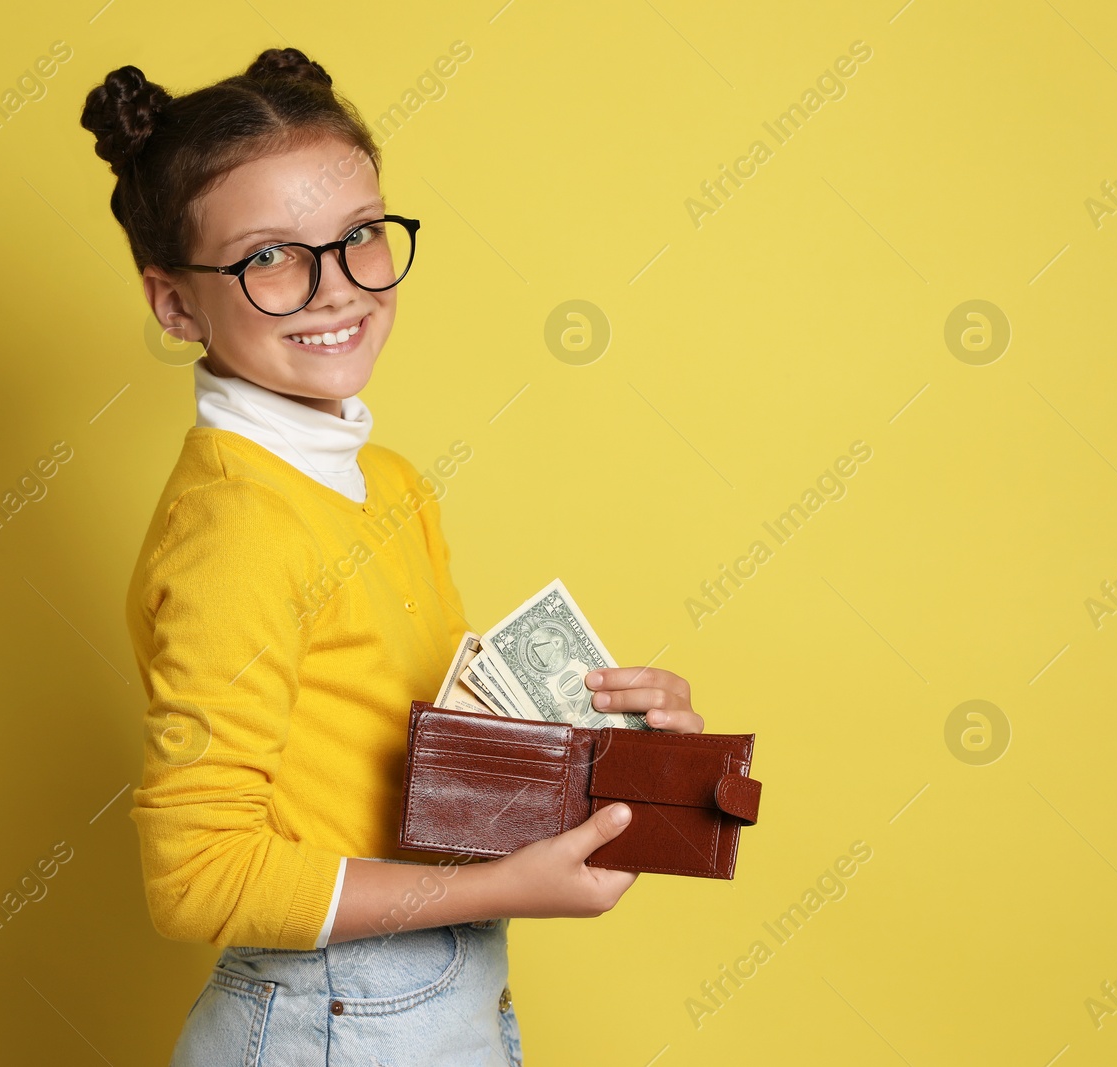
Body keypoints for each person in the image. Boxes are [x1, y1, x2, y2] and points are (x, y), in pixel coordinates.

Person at [81, 46, 706, 1066]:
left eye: (359, 237)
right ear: (174, 303)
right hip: (329, 1017)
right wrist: (500, 889)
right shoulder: (236, 530)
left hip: (427, 1000)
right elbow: (196, 874)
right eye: (268, 256)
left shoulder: (392, 484)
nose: (335, 289)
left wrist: (631, 755)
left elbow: (446, 766)